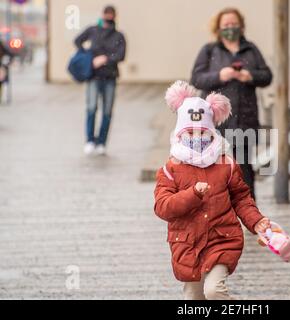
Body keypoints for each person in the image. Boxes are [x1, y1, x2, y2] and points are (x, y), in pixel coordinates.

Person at [154, 81, 271, 300]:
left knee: (214, 290)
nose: (197, 139)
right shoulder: (170, 169)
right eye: (190, 133)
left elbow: (242, 199)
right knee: (193, 298)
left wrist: (256, 222)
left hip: (222, 239)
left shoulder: (226, 164)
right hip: (188, 244)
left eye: (203, 133)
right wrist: (192, 195)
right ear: (179, 135)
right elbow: (163, 207)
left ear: (212, 134)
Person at [191, 7, 272, 200]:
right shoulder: (209, 50)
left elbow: (267, 76)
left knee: (244, 168)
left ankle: (250, 214)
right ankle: (216, 212)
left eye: (234, 24)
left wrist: (249, 76)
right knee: (216, 168)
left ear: (241, 26)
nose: (230, 28)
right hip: (216, 122)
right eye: (226, 25)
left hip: (246, 118)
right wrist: (219, 76)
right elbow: (196, 78)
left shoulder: (251, 49)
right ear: (218, 28)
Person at [74, 5, 126, 155]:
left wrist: (105, 59)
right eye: (106, 14)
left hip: (110, 77)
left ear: (115, 16)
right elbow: (77, 41)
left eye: (111, 15)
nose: (108, 17)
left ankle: (102, 142)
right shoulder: (93, 30)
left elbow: (121, 55)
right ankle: (90, 140)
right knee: (91, 108)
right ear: (102, 15)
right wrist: (88, 57)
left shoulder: (119, 36)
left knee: (107, 111)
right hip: (93, 77)